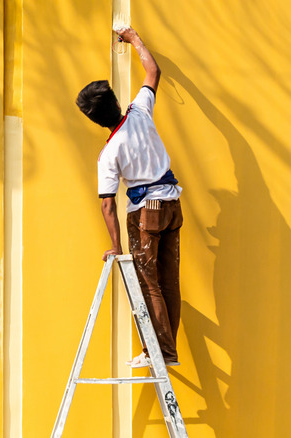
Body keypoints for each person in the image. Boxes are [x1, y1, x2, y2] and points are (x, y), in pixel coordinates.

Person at [75, 27, 183, 368]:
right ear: (117, 103)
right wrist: (134, 39)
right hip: (172, 204)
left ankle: (159, 352)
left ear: (94, 119)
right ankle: (168, 349)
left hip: (146, 213)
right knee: (168, 280)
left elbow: (108, 202)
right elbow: (153, 72)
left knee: (147, 281)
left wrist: (116, 245)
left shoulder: (109, 153)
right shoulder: (139, 111)